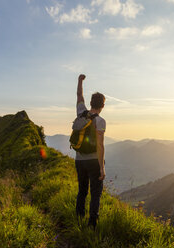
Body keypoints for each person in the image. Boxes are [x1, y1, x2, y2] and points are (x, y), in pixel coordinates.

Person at [75, 74, 106, 229]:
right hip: (94, 161)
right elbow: (100, 145)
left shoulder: (80, 112)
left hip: (79, 160)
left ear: (91, 103)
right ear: (102, 105)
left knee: (82, 191)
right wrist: (102, 167)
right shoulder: (100, 121)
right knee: (95, 194)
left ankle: (79, 218)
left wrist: (80, 81)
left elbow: (79, 95)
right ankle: (92, 224)